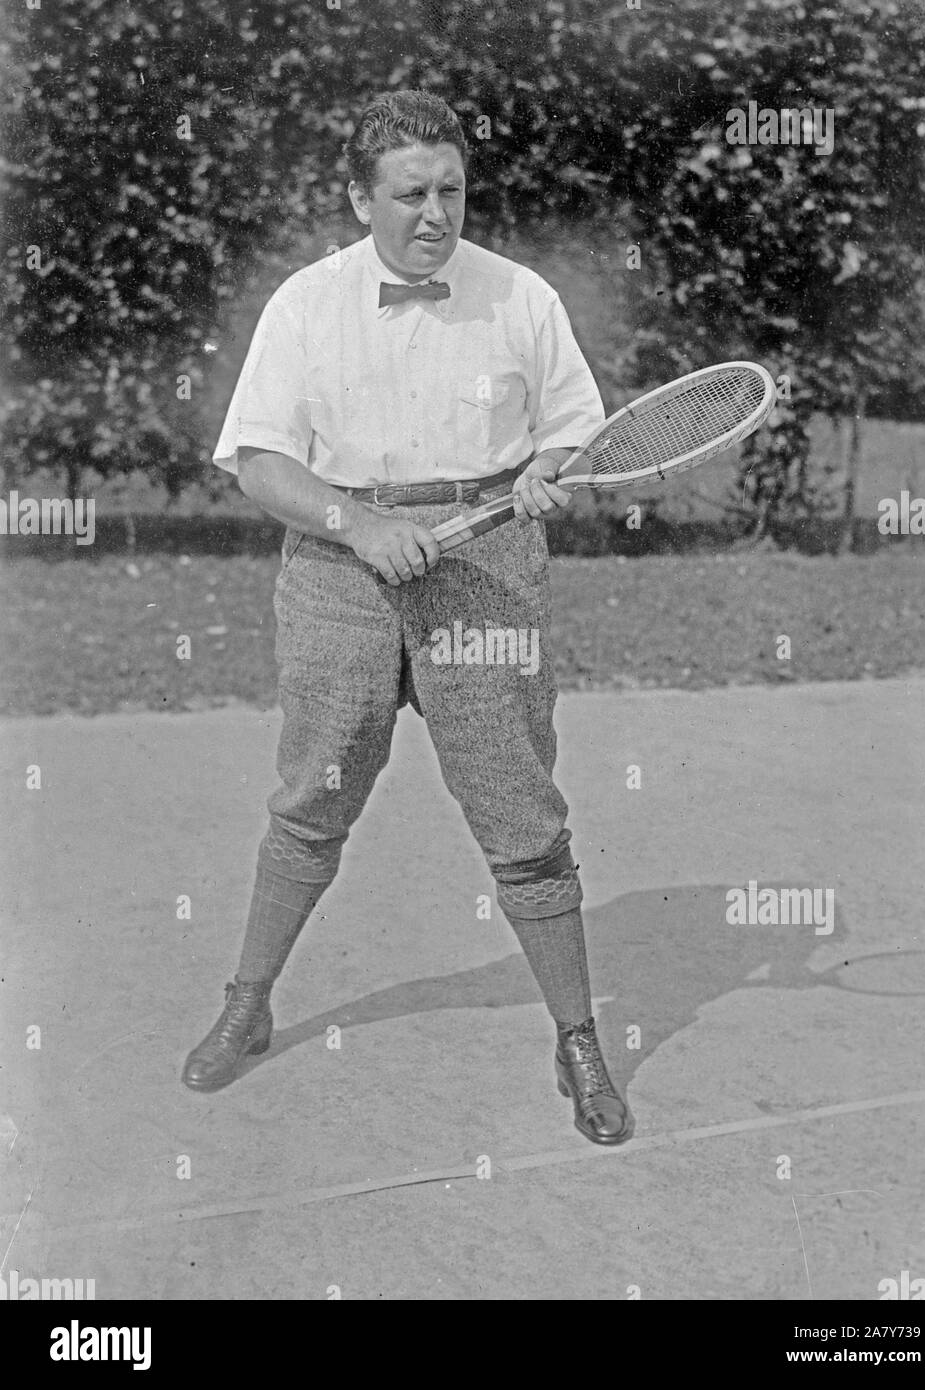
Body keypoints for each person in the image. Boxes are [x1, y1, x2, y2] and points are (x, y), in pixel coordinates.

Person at [183, 90, 633, 1145]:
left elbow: (570, 430)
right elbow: (258, 463)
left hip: (485, 571)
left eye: (451, 191)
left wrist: (545, 473)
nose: (434, 214)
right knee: (308, 801)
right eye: (409, 193)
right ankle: (248, 1002)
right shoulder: (303, 304)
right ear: (360, 198)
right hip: (339, 576)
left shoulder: (520, 296)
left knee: (522, 815)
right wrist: (358, 523)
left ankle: (576, 1041)